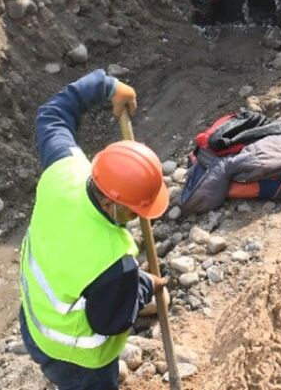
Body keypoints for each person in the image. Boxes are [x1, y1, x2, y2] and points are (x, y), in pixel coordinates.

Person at [18, 70, 169, 389]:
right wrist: (145, 284)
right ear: (109, 203)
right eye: (135, 209)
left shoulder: (66, 170)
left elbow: (53, 114)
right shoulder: (114, 259)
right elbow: (110, 321)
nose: (141, 216)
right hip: (74, 358)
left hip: (33, 318)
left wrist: (107, 86)